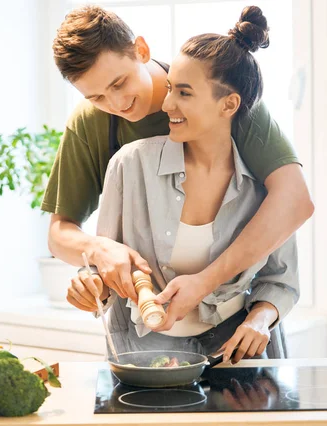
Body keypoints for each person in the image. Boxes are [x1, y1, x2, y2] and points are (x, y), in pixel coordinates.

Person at [44, 5, 312, 347]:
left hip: (233, 331)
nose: (117, 103)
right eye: (96, 96)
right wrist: (97, 251)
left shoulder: (218, 92)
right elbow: (59, 232)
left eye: (119, 83)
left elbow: (293, 201)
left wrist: (205, 283)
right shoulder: (94, 127)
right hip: (147, 341)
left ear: (141, 50)